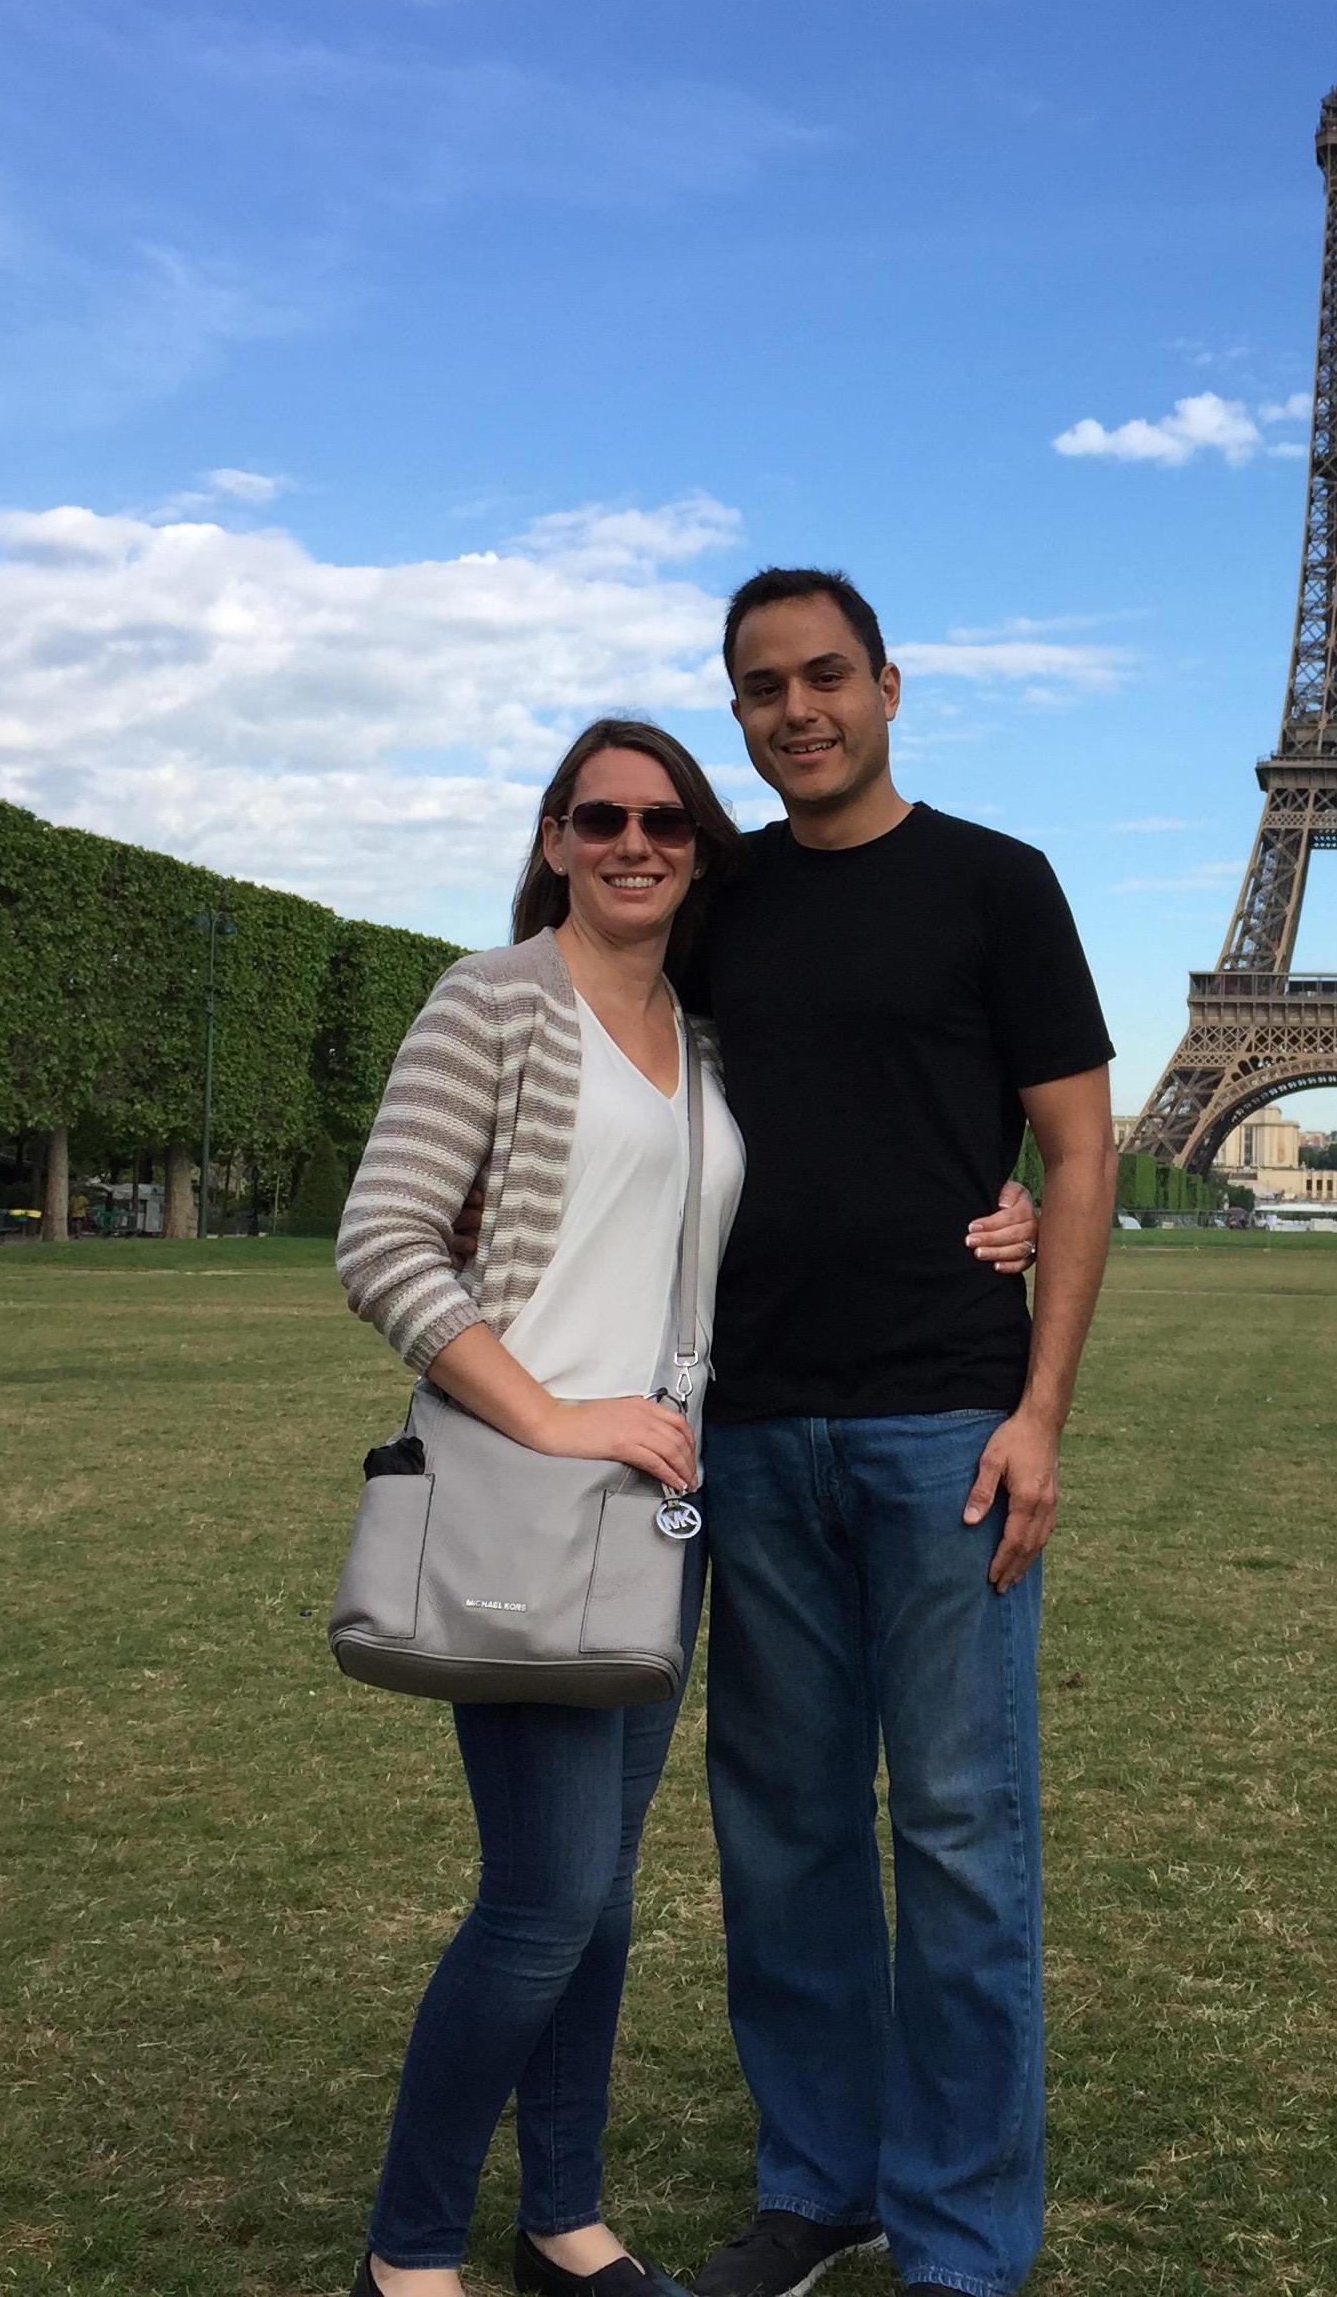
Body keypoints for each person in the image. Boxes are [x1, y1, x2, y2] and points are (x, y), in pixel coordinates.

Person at [334, 716, 1044, 2297]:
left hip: (659, 1519)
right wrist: (555, 1412)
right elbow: (383, 1241)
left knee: (595, 1905)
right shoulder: (490, 1001)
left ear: (701, 852)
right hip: (529, 1491)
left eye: (667, 822)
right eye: (600, 817)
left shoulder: (703, 1034)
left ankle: (566, 2224)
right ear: (552, 839)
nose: (634, 842)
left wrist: (1010, 1205)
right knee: (540, 1903)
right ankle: (406, 2255)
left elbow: (844, 1160)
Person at [682, 568, 1117, 2297]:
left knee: (956, 1836)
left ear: (890, 684)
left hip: (945, 1418)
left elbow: (1076, 1152)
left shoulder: (995, 885)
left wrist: (1039, 1411)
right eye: (763, 687)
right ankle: (822, 2178)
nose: (798, 710)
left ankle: (955, 2230)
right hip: (749, 1423)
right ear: (739, 709)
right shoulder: (717, 904)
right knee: (779, 1832)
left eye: (825, 676)